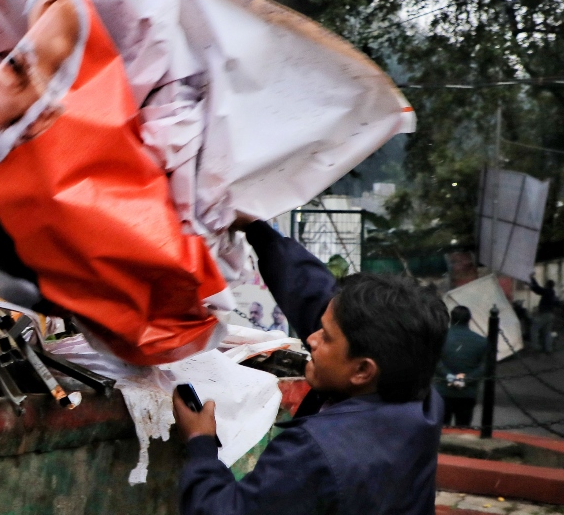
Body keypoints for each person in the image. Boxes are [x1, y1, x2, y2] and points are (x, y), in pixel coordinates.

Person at [175, 220, 449, 515]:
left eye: (326, 336)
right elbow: (315, 298)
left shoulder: (313, 453)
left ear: (362, 371)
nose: (311, 339)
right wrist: (260, 233)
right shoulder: (417, 396)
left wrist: (201, 442)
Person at [436, 305, 487, 428]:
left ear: (451, 318)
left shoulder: (440, 338)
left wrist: (450, 377)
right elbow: (484, 367)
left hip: (443, 391)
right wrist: (464, 380)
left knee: (441, 429)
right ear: (469, 319)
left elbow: (435, 362)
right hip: (467, 393)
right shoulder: (482, 341)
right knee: (463, 428)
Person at [529, 278, 559, 353]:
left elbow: (538, 290)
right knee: (547, 332)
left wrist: (532, 280)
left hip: (544, 314)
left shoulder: (547, 291)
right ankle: (548, 349)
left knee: (534, 328)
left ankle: (536, 347)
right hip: (551, 315)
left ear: (547, 285)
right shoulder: (552, 293)